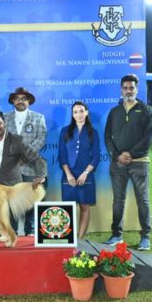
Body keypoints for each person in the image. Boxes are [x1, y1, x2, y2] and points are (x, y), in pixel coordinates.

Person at [104, 74, 152, 250]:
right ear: (121, 90)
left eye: (131, 88)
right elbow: (107, 136)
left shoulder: (145, 110)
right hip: (118, 163)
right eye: (125, 88)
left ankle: (145, 236)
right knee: (118, 200)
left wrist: (131, 154)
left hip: (139, 162)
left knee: (143, 199)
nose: (128, 91)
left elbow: (149, 137)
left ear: (137, 89)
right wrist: (117, 155)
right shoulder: (114, 111)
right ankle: (116, 235)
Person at [4, 87, 47, 235]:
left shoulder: (38, 117)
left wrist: (24, 156)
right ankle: (11, 231)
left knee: (31, 199)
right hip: (10, 168)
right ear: (13, 101)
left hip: (31, 167)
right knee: (11, 200)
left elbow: (41, 139)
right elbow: (1, 140)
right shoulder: (4, 118)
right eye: (17, 98)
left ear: (29, 101)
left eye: (24, 98)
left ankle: (31, 231)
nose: (20, 101)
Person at [59, 101, 100, 240]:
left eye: (81, 111)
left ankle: (80, 239)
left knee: (84, 206)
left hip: (86, 175)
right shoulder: (65, 131)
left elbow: (96, 157)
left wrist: (85, 173)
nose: (79, 114)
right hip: (68, 175)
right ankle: (69, 239)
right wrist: (68, 174)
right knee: (68, 208)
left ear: (86, 112)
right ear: (72, 115)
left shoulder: (93, 133)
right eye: (75, 112)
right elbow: (62, 155)